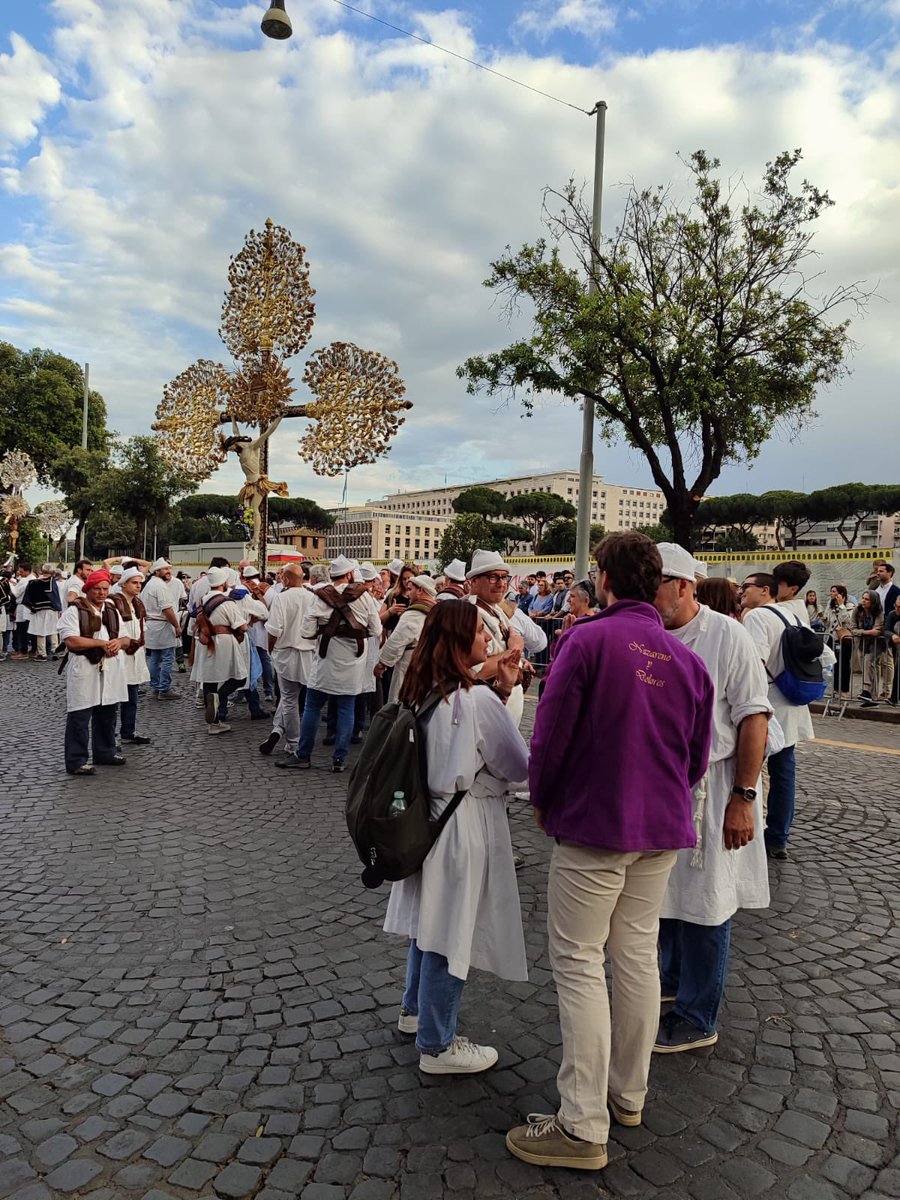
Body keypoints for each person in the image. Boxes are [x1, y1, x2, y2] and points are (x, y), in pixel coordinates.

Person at [505, 533, 714, 1172]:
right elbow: (696, 759)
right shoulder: (688, 662)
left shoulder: (587, 641)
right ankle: (628, 1093)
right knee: (635, 954)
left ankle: (581, 1122)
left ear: (604, 578)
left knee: (578, 960)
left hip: (598, 824)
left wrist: (542, 797)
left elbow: (553, 731)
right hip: (661, 825)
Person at [383, 601, 528, 1075]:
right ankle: (438, 1044)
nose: (489, 640)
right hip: (462, 824)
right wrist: (504, 694)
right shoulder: (476, 700)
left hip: (425, 821)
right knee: (450, 931)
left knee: (431, 921)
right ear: (462, 641)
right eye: (482, 634)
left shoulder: (420, 688)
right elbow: (517, 766)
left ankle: (413, 1011)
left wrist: (498, 689)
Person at [653, 545, 771, 1054]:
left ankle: (698, 1016)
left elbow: (754, 717)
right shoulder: (646, 633)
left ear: (683, 586)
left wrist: (742, 797)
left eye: (654, 586)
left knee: (707, 902)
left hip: (717, 785)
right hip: (662, 786)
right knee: (665, 895)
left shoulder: (727, 635)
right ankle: (672, 980)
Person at [282, 555, 382, 772]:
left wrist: (327, 629)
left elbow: (306, 631)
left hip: (326, 660)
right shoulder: (365, 597)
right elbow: (376, 630)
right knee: (347, 708)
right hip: (354, 661)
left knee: (312, 706)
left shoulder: (320, 597)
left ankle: (303, 754)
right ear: (349, 574)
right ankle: (339, 759)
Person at [740, 566, 812, 860]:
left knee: (750, 769)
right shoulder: (794, 614)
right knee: (784, 770)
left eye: (748, 586)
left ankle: (749, 830)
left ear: (765, 590)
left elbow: (752, 661)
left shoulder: (758, 616)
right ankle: (778, 836)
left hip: (766, 701)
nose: (743, 591)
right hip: (791, 700)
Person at [57, 568, 129, 775]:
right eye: (97, 588)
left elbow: (125, 638)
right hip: (84, 668)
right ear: (87, 589)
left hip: (110, 668)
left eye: (105, 588)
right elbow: (71, 640)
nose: (101, 593)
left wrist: (118, 643)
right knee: (79, 715)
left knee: (107, 712)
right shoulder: (74, 611)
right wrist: (100, 643)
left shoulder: (112, 610)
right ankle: (76, 760)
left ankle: (105, 752)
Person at [466, 549, 547, 726]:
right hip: (489, 711)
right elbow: (477, 671)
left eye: (505, 577)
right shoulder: (470, 615)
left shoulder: (496, 610)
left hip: (502, 708)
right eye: (493, 577)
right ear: (474, 581)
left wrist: (520, 661)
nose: (501, 583)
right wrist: (514, 650)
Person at [259, 562, 316, 756]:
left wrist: (271, 650)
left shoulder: (282, 599)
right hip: (309, 653)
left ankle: (292, 742)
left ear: (286, 579)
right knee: (299, 699)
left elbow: (274, 630)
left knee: (289, 698)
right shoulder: (312, 598)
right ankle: (278, 729)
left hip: (286, 653)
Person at [189, 566, 250, 734]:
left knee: (209, 680)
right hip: (224, 642)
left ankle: (214, 723)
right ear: (223, 582)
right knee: (239, 677)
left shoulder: (202, 600)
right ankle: (218, 698)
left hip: (207, 640)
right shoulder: (227, 602)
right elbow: (242, 627)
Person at [377, 574, 438, 702]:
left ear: (420, 590)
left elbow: (396, 642)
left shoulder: (413, 614)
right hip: (429, 665)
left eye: (411, 590)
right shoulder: (436, 609)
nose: (408, 594)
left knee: (400, 702)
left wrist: (382, 664)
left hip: (410, 665)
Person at [110, 566, 152, 745]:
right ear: (124, 584)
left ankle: (128, 731)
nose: (138, 586)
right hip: (119, 655)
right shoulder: (113, 603)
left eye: (140, 583)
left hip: (136, 655)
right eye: (134, 583)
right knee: (113, 700)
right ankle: (110, 738)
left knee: (132, 698)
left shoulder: (138, 604)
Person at [142, 558, 185, 700]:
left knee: (154, 658)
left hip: (152, 625)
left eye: (169, 569)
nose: (169, 572)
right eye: (165, 569)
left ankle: (156, 686)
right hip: (162, 625)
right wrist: (177, 626)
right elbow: (167, 609)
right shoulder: (159, 586)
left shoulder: (149, 585)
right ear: (157, 571)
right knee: (167, 658)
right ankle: (164, 689)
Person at [851, 590, 884, 707]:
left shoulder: (879, 612)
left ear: (873, 602)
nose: (863, 601)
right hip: (860, 643)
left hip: (875, 644)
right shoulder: (857, 610)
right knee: (868, 669)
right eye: (863, 598)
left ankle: (866, 691)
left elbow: (877, 630)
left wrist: (863, 633)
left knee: (868, 663)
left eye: (867, 599)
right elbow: (853, 629)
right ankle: (871, 697)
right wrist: (866, 632)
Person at [871, 563, 899, 701]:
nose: (878, 573)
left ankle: (887, 690)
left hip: (889, 630)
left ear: (890, 573)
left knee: (888, 661)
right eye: (877, 571)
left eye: (881, 571)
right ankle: (874, 690)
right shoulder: (876, 590)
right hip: (876, 628)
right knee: (874, 661)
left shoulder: (895, 591)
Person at [22, 564, 59, 659]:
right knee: (53, 630)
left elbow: (29, 595)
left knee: (40, 631)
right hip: (51, 609)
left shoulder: (34, 582)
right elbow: (55, 596)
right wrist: (58, 608)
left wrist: (32, 607)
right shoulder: (53, 581)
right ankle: (55, 651)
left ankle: (42, 654)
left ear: (42, 571)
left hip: (39, 609)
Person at [825, 584, 855, 699]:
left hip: (844, 639)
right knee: (835, 664)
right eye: (831, 591)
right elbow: (828, 622)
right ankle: (836, 688)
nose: (832, 594)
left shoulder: (850, 606)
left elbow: (847, 620)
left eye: (834, 592)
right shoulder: (830, 605)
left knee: (844, 664)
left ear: (841, 594)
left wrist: (841, 606)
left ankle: (845, 690)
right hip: (832, 638)